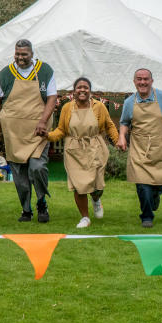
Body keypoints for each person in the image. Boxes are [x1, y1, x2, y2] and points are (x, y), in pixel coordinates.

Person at [0, 39, 58, 223]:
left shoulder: (45, 71)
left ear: (32, 54)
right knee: (20, 175)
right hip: (14, 134)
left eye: (24, 54)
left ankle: (41, 201)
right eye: (17, 54)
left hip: (38, 132)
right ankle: (26, 210)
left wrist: (43, 121)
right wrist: (1, 130)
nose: (20, 58)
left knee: (37, 167)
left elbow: (52, 98)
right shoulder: (5, 74)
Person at [47, 77, 119, 229]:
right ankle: (85, 217)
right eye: (79, 87)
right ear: (74, 91)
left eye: (85, 87)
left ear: (90, 91)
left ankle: (96, 199)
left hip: (95, 147)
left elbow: (109, 125)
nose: (82, 90)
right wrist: (48, 136)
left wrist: (118, 140)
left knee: (97, 187)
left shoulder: (99, 106)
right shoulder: (67, 107)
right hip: (74, 150)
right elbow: (61, 130)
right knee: (79, 186)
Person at [117, 68, 162, 228]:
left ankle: (156, 194)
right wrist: (121, 137)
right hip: (139, 148)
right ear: (134, 82)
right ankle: (146, 216)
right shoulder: (129, 102)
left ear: (151, 81)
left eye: (145, 79)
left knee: (160, 183)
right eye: (139, 79)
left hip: (161, 146)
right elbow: (124, 122)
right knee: (142, 183)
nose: (142, 82)